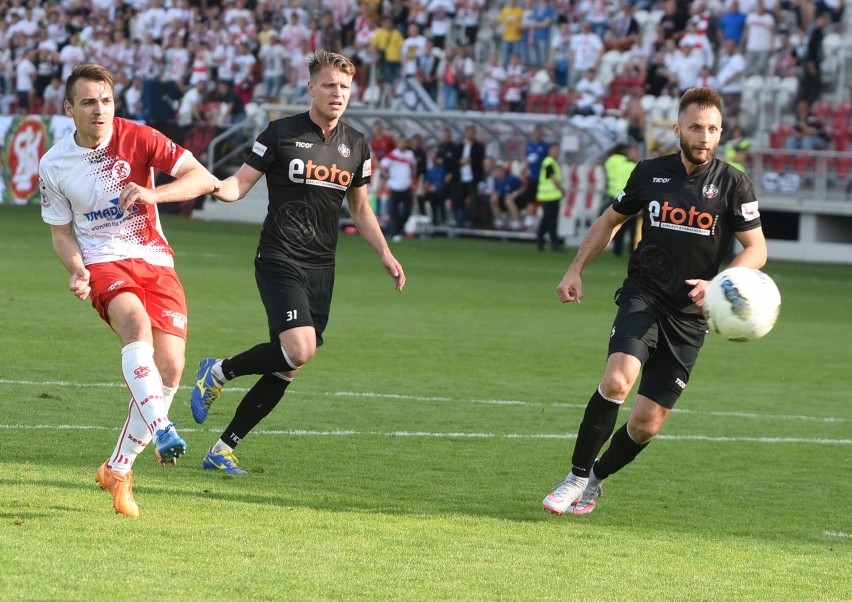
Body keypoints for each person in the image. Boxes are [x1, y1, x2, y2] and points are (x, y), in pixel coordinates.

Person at [541, 87, 767, 516]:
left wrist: (719, 283)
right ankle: (573, 476)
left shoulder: (734, 184)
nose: (705, 136)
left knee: (646, 424)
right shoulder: (649, 173)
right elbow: (610, 221)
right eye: (697, 127)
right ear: (678, 128)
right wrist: (574, 269)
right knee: (617, 381)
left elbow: (756, 249)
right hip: (644, 294)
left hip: (691, 317)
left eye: (713, 129)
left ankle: (595, 480)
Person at [189, 50, 406, 475]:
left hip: (322, 266)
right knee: (300, 348)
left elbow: (359, 209)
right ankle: (216, 372)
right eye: (329, 85)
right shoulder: (280, 133)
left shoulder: (356, 144)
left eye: (344, 87)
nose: (337, 93)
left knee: (289, 366)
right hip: (279, 256)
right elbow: (240, 183)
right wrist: (213, 186)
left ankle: (222, 448)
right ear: (311, 88)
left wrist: (385, 252)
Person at [38, 64, 220, 517]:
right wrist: (78, 269)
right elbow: (61, 231)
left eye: (105, 100)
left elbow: (202, 177)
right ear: (69, 109)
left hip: (156, 260)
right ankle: (161, 427)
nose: (98, 109)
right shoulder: (54, 163)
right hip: (103, 261)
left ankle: (118, 468)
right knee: (135, 324)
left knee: (172, 365)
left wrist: (154, 194)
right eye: (87, 102)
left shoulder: (139, 137)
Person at [603, 142, 639, 256]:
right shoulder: (633, 166)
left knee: (620, 227)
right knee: (631, 228)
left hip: (616, 196)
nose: (636, 154)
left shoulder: (614, 162)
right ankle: (630, 251)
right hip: (630, 199)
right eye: (634, 152)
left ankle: (617, 250)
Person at [380, 134, 417, 242]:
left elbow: (414, 164)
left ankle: (398, 230)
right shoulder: (392, 155)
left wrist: (413, 175)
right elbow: (382, 165)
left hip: (406, 186)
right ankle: (395, 233)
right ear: (398, 143)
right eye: (401, 142)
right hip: (394, 187)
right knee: (395, 212)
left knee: (407, 211)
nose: (403, 144)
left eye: (405, 142)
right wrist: (386, 175)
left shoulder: (410, 154)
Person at [535, 142, 564, 251]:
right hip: (550, 196)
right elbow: (553, 178)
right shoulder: (549, 162)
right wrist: (562, 189)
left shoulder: (550, 162)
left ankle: (540, 240)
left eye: (558, 150)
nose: (557, 152)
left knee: (546, 220)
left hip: (548, 196)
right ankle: (554, 244)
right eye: (555, 149)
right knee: (551, 221)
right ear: (550, 150)